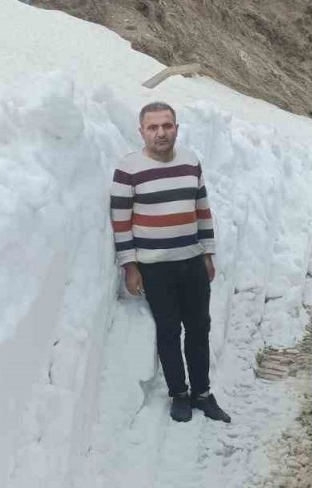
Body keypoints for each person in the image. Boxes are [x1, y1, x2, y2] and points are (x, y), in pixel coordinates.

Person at [110, 102, 231, 423]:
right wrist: (130, 265)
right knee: (168, 329)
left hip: (191, 262)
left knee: (199, 327)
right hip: (154, 266)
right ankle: (179, 393)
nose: (161, 133)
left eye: (167, 125)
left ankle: (202, 393)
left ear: (176, 127)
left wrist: (207, 252)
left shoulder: (191, 163)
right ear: (142, 132)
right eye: (153, 127)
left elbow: (202, 210)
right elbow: (121, 220)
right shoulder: (128, 169)